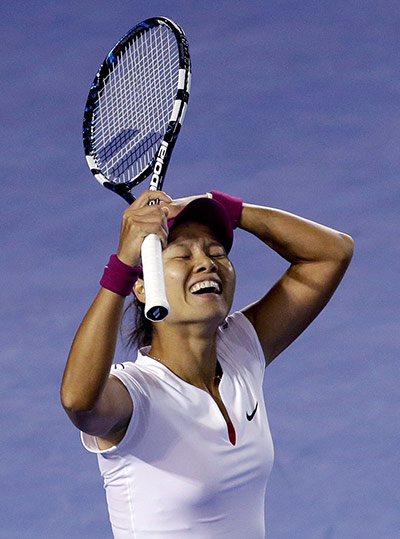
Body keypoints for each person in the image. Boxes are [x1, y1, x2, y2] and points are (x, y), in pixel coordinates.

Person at [61, 190, 354, 538]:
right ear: (143, 287)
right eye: (183, 255)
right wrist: (121, 268)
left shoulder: (240, 351)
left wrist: (225, 206)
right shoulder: (137, 396)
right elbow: (79, 401)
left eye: (217, 253)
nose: (206, 264)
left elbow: (331, 254)